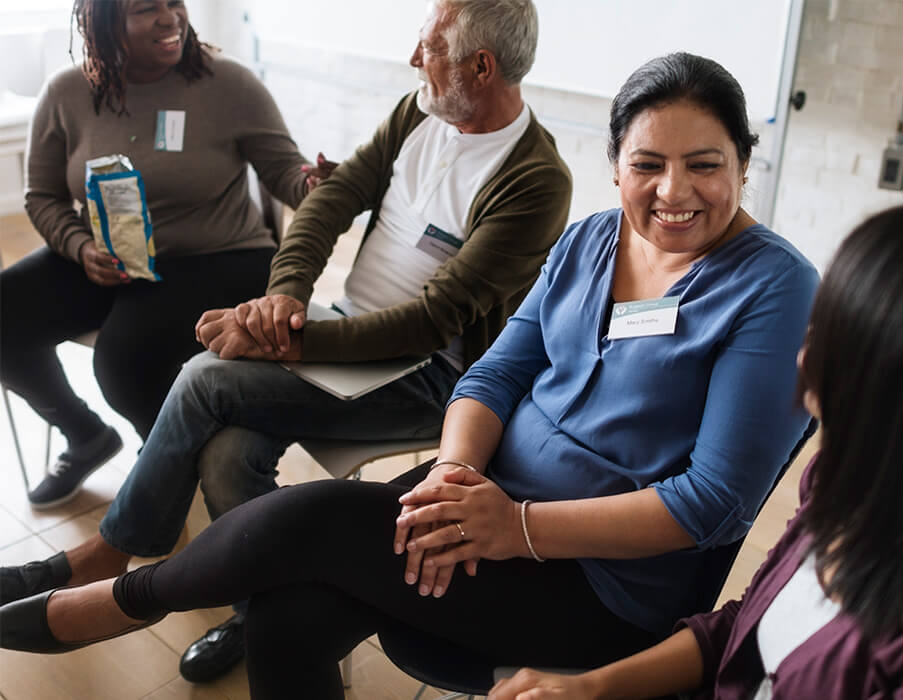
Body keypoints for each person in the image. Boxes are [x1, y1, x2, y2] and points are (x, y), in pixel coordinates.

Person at [0, 52, 817, 700]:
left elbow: (712, 504)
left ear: (744, 163)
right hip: (477, 496)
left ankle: (119, 601)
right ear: (615, 166)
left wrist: (519, 529)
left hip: (597, 582)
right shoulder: (593, 239)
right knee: (287, 619)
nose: (674, 191)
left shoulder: (776, 289)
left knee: (308, 524)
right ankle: (120, 596)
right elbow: (493, 376)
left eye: (704, 164)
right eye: (649, 164)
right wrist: (459, 475)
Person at [0, 0, 573, 684]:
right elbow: (331, 200)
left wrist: (288, 345)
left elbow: (431, 321)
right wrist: (285, 299)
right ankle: (260, 615)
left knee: (206, 378)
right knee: (226, 452)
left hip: (432, 377)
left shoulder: (536, 180)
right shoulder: (420, 111)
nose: (414, 59)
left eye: (429, 47)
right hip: (347, 329)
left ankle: (111, 559)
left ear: (481, 67)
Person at [486, 201, 903, 700]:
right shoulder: (847, 479)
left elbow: (709, 502)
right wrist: (591, 688)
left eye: (839, 332)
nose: (803, 352)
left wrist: (518, 527)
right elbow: (745, 627)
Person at [0, 0, 327, 509]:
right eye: (145, 9)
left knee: (125, 362)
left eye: (174, 2)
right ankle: (85, 435)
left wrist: (316, 184)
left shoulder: (229, 84)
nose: (169, 17)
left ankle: (170, 471)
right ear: (102, 23)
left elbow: (286, 172)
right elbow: (42, 197)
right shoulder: (67, 92)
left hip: (218, 254)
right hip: (109, 256)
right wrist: (80, 247)